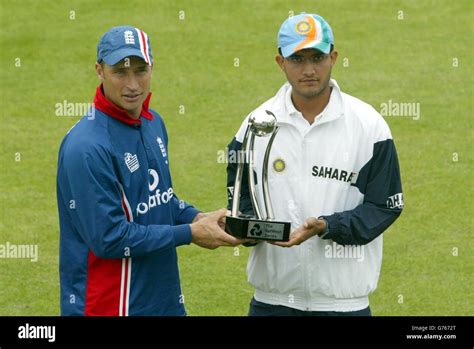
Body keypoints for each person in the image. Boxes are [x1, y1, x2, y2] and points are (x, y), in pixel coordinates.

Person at [57, 26, 242, 316]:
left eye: (141, 70)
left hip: (164, 303)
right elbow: (110, 238)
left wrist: (197, 216)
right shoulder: (86, 147)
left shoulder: (152, 122)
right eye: (120, 72)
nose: (133, 85)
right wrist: (190, 233)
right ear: (99, 70)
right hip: (109, 307)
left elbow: (158, 198)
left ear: (152, 67)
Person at [226, 13, 403, 316]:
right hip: (271, 303)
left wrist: (328, 226)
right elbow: (241, 203)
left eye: (317, 57)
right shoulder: (255, 125)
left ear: (333, 57)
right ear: (280, 61)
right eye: (297, 59)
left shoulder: (369, 127)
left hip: (344, 306)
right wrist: (248, 229)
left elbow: (385, 206)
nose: (308, 69)